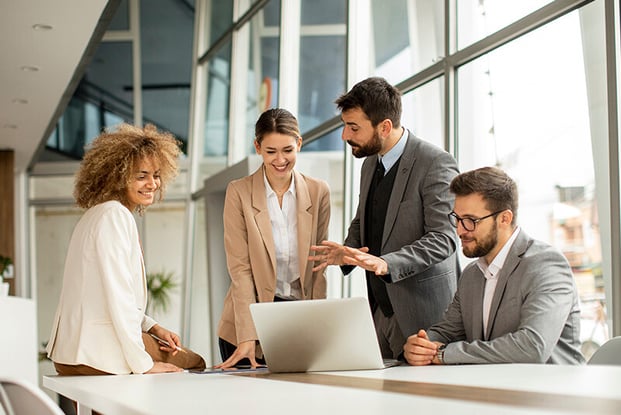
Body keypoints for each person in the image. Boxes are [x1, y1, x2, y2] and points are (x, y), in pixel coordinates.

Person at [310, 77, 460, 359]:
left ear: (385, 126)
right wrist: (347, 251)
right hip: (380, 311)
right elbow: (364, 217)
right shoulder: (369, 163)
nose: (345, 136)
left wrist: (386, 263)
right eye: (345, 125)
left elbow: (444, 238)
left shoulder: (435, 163)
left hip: (425, 316)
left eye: (353, 127)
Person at [46, 123, 206, 376]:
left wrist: (153, 328)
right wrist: (144, 364)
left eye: (155, 175)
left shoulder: (94, 215)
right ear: (117, 176)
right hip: (97, 353)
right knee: (195, 362)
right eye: (141, 176)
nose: (152, 184)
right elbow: (118, 296)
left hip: (70, 353)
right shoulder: (115, 216)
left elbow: (103, 294)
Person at [403, 166, 585, 365]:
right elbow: (446, 331)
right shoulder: (472, 274)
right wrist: (422, 345)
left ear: (504, 219)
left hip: (552, 391)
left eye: (471, 220)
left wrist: (443, 354)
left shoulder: (546, 265)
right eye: (457, 219)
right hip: (494, 389)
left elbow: (532, 347)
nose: (460, 230)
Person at [216, 108, 331, 369]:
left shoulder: (318, 191)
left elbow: (318, 266)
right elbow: (240, 269)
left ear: (299, 144)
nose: (280, 160)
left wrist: (319, 329)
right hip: (247, 323)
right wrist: (248, 335)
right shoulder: (239, 192)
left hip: (297, 320)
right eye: (271, 152)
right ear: (257, 147)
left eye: (288, 150)